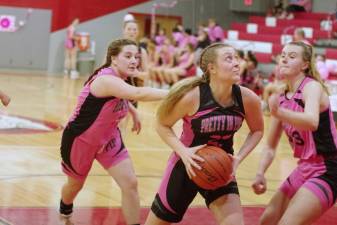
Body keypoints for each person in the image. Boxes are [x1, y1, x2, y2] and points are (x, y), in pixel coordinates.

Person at [144, 43, 264, 225]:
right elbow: (162, 124)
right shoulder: (192, 97)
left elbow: (258, 130)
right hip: (186, 167)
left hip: (220, 167)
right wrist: (184, 152)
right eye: (228, 58)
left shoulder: (248, 99)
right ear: (212, 68)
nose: (237, 63)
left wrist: (238, 158)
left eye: (236, 58)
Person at [59, 39, 168, 225]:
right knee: (75, 184)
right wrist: (177, 92)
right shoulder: (105, 79)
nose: (134, 60)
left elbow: (122, 96)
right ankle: (65, 210)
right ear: (114, 59)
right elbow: (137, 94)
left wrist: (133, 112)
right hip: (80, 140)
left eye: (136, 57)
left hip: (109, 139)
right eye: (128, 56)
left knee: (130, 183)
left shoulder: (120, 80)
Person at [252, 41, 337, 225]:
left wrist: (280, 113)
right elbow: (270, 146)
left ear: (305, 65)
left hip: (328, 168)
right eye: (283, 55)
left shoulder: (311, 87)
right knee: (266, 221)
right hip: (304, 168)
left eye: (292, 56)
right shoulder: (281, 97)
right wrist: (260, 172)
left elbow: (312, 121)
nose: (284, 59)